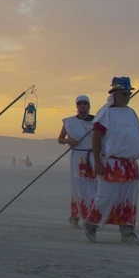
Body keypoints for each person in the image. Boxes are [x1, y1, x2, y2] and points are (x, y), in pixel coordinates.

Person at [84, 77, 139, 244]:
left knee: (129, 197)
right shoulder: (106, 113)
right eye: (123, 93)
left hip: (129, 164)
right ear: (114, 94)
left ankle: (127, 230)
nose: (126, 96)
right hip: (111, 163)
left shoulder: (131, 113)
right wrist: (98, 162)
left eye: (128, 93)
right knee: (106, 196)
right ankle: (91, 224)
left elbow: (131, 138)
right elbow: (97, 138)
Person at [57, 95, 96, 229]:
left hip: (94, 156)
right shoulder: (70, 122)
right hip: (78, 156)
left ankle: (93, 216)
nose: (82, 106)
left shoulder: (98, 121)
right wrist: (69, 141)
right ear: (77, 106)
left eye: (85, 103)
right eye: (80, 103)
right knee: (79, 187)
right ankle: (78, 216)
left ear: (89, 105)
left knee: (95, 187)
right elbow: (60, 139)